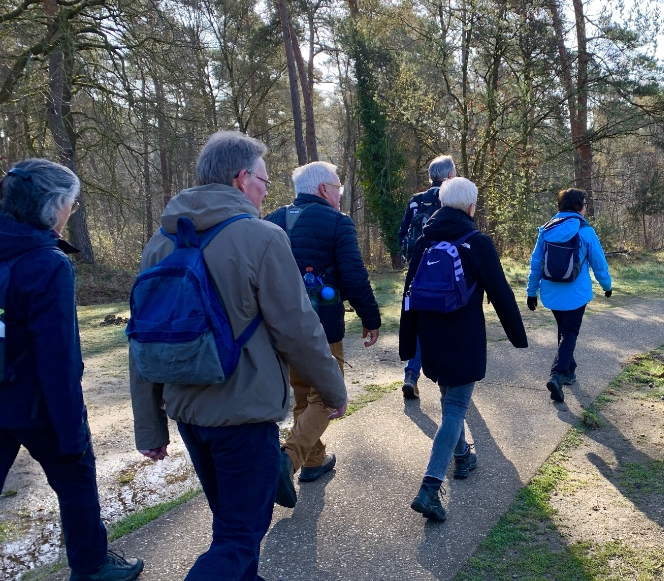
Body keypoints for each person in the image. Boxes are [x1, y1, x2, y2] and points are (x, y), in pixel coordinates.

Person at [130, 131, 347, 580]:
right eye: (264, 180)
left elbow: (143, 341)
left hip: (189, 413)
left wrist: (150, 426)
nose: (267, 191)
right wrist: (333, 389)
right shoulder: (261, 238)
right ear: (241, 177)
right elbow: (299, 330)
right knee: (239, 536)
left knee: (230, 525)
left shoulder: (160, 242)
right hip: (243, 413)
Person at [0, 159, 144, 581]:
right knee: (77, 476)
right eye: (73, 204)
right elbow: (59, 358)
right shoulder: (47, 263)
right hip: (36, 405)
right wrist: (73, 433)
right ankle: (92, 566)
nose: (71, 212)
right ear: (54, 205)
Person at [399, 177, 527, 522]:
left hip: (431, 338)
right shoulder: (478, 242)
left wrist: (407, 343)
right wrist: (518, 335)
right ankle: (430, 487)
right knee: (455, 407)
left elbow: (408, 295)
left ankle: (463, 457)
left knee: (449, 401)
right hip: (464, 338)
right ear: (471, 206)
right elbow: (500, 292)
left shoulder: (424, 240)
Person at [265, 161, 381, 483]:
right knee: (329, 395)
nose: (340, 194)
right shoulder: (337, 222)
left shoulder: (271, 221)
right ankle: (288, 459)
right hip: (322, 326)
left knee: (303, 392)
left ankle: (314, 460)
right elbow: (354, 277)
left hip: (280, 328)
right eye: (337, 188)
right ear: (322, 190)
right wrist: (370, 318)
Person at [526, 188, 613, 403]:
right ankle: (557, 374)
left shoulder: (546, 230)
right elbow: (598, 262)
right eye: (584, 204)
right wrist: (606, 284)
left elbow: (536, 263)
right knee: (570, 332)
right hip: (577, 292)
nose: (586, 208)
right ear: (578, 207)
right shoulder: (585, 231)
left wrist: (531, 291)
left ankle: (569, 370)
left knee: (564, 331)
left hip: (551, 291)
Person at [396, 155, 456, 399]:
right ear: (450, 175)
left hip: (418, 271)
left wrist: (413, 261)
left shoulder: (416, 201)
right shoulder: (452, 198)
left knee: (420, 323)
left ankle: (411, 374)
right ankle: (450, 377)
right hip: (445, 274)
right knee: (450, 322)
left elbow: (402, 234)